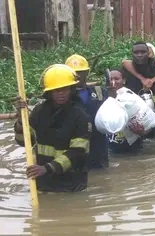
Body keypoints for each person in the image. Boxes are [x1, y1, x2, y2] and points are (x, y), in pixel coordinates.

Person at [14, 64, 91, 192]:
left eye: (64, 89)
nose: (61, 93)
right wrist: (21, 122)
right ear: (49, 92)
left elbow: (77, 152)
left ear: (71, 89)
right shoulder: (39, 111)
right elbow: (24, 141)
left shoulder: (80, 116)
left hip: (71, 185)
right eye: (56, 90)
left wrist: (47, 168)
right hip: (43, 183)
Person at [123, 41, 155, 141]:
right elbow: (125, 63)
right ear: (132, 54)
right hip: (132, 117)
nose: (139, 55)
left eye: (143, 52)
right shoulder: (128, 69)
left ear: (148, 53)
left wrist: (152, 81)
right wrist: (141, 78)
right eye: (136, 52)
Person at [65, 54, 109, 169]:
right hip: (73, 145)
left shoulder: (99, 91)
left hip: (98, 145)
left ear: (87, 73)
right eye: (74, 73)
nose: (77, 75)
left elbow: (112, 112)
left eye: (81, 72)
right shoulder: (62, 96)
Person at [107, 69, 145, 154]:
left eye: (116, 79)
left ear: (123, 80)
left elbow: (147, 122)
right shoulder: (101, 97)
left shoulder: (132, 99)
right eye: (110, 79)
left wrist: (141, 132)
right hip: (111, 145)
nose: (113, 82)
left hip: (132, 146)